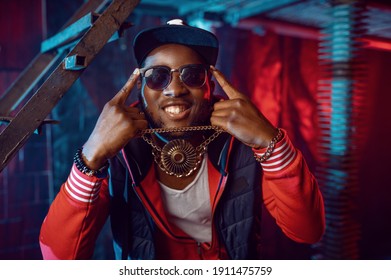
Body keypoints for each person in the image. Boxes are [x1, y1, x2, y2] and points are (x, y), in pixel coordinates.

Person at [39, 19, 325, 260]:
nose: (175, 89)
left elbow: (307, 230)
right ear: (140, 89)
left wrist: (271, 143)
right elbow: (58, 257)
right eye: (157, 76)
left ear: (210, 86)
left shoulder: (242, 142)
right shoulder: (118, 151)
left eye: (192, 75)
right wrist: (91, 156)